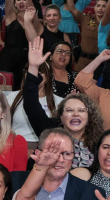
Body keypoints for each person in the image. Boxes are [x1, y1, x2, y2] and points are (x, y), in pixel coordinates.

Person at [23, 37, 105, 168]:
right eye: (69, 110)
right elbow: (30, 104)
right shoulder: (49, 131)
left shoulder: (99, 143)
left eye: (81, 111)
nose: (75, 114)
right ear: (60, 116)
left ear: (90, 116)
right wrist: (33, 67)